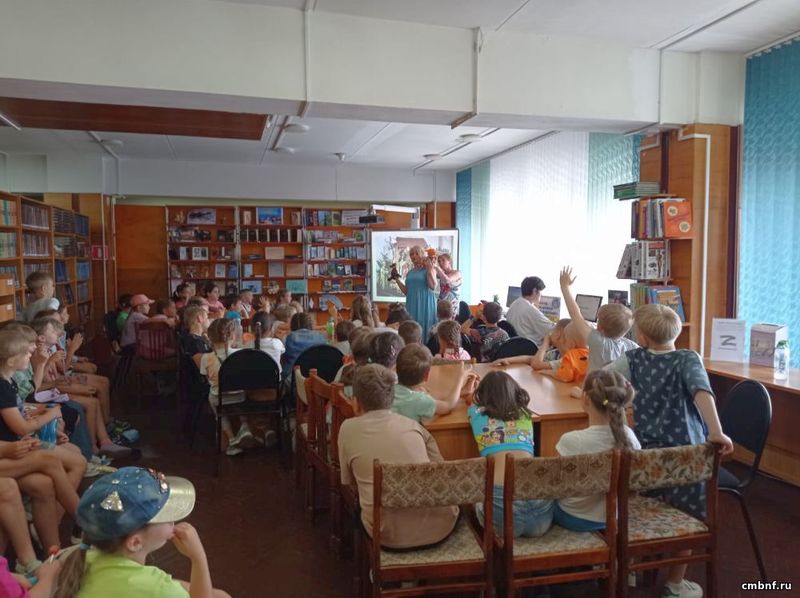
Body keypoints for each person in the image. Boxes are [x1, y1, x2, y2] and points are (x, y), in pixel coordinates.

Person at [607, 304, 734, 598]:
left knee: (637, 504)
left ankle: (632, 565)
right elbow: (701, 391)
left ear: (641, 337)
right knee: (687, 513)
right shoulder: (688, 358)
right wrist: (715, 430)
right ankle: (675, 583)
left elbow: (603, 380)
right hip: (687, 453)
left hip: (647, 450)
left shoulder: (633, 358)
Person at [55, 466, 230, 598]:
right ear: (135, 542)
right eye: (166, 515)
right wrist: (198, 557)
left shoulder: (81, 557)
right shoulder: (156, 588)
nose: (173, 521)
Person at [337, 364, 458, 549]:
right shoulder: (414, 427)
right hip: (439, 528)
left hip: (385, 534)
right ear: (392, 398)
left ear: (356, 402)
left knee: (359, 509)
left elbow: (349, 482)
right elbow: (440, 471)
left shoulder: (347, 429)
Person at [467, 370, 553, 537]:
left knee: (472, 497)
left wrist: (471, 386)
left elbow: (471, 401)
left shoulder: (476, 413)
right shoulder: (525, 414)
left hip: (502, 512)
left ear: (482, 395)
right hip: (541, 514)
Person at [554, 369, 640, 531]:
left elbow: (555, 485)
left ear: (585, 398)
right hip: (615, 517)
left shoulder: (572, 440)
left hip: (573, 517)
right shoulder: (630, 437)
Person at [197, 319, 259, 456]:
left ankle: (231, 440)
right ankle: (244, 426)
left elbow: (205, 378)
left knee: (220, 412)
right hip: (239, 395)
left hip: (218, 397)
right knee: (241, 403)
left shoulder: (206, 358)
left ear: (210, 337)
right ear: (233, 336)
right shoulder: (241, 354)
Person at [559, 266, 637, 372]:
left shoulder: (599, 343)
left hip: (595, 383)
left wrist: (564, 287)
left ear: (600, 328)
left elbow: (575, 314)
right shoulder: (630, 346)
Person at [393, 344, 468, 423]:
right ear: (426, 376)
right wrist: (460, 378)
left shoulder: (388, 390)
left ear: (396, 369)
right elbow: (448, 405)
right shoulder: (419, 400)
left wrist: (460, 392)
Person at [389, 245, 437, 336]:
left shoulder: (429, 269)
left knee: (425, 330)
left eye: (416, 253)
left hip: (425, 304)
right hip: (411, 304)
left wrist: (429, 270)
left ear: (422, 255)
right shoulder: (410, 273)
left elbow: (433, 286)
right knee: (411, 330)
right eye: (411, 254)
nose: (413, 256)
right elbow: (406, 292)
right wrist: (397, 279)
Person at [505, 276, 554, 347]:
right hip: (531, 349)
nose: (541, 295)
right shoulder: (530, 310)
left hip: (515, 347)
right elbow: (552, 331)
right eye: (540, 292)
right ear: (535, 291)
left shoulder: (514, 304)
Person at [282, 313, 327, 379]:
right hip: (317, 378)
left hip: (293, 378)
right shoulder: (321, 337)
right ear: (310, 324)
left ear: (292, 325)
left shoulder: (288, 338)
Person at [432, 252, 462, 317]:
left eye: (443, 260)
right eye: (439, 261)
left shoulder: (457, 273)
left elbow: (447, 280)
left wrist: (437, 267)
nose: (441, 263)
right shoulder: (441, 274)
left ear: (449, 262)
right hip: (441, 303)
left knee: (449, 322)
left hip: (452, 304)